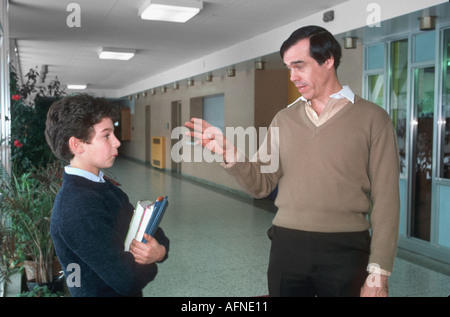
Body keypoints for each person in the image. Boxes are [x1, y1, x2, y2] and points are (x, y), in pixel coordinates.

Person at [186, 25, 400, 297]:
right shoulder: (284, 119)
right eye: (288, 68)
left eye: (299, 66)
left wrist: (378, 272)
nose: (292, 77)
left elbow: (387, 201)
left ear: (328, 60)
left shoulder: (373, 119)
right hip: (287, 246)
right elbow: (261, 185)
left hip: (346, 250)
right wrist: (229, 153)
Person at [45, 94, 169, 297]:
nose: (117, 142)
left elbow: (153, 233)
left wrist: (160, 251)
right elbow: (126, 280)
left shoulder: (102, 186)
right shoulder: (77, 207)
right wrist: (151, 262)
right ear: (77, 145)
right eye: (106, 135)